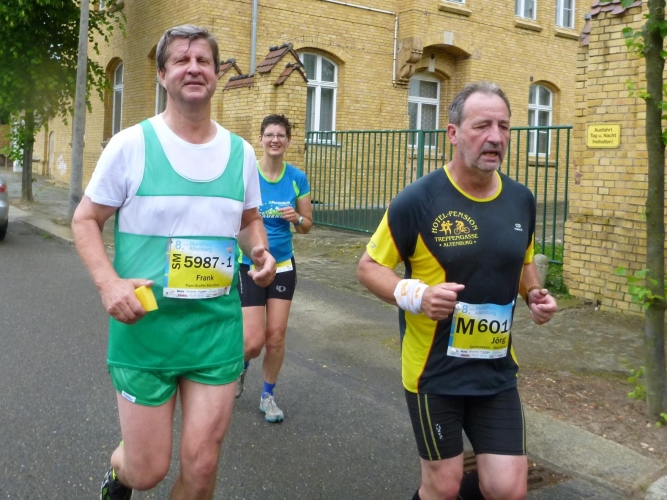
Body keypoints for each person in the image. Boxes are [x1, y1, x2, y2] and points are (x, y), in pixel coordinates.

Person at [71, 25, 276, 500]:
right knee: (146, 470)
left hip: (214, 329)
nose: (193, 68)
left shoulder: (241, 153)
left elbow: (248, 221)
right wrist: (109, 284)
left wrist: (259, 251)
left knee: (202, 467)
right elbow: (85, 220)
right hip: (146, 328)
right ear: (162, 75)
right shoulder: (131, 145)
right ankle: (120, 473)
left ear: (217, 74)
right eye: (181, 60)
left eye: (203, 60)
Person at [357, 82, 558, 500]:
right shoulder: (417, 200)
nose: (496, 137)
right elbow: (369, 267)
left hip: (495, 371)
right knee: (443, 486)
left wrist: (535, 294)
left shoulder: (521, 199)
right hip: (435, 372)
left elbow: (523, 261)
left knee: (508, 489)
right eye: (482, 126)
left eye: (504, 126)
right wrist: (417, 296)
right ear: (452, 133)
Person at [235, 114, 312, 423]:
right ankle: (239, 367)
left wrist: (297, 219)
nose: (275, 140)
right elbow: (236, 219)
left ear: (289, 141)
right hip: (250, 265)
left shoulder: (297, 178)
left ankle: (268, 396)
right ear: (261, 139)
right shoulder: (248, 175)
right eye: (269, 134)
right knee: (252, 342)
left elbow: (307, 226)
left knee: (276, 337)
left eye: (281, 135)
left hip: (282, 265)